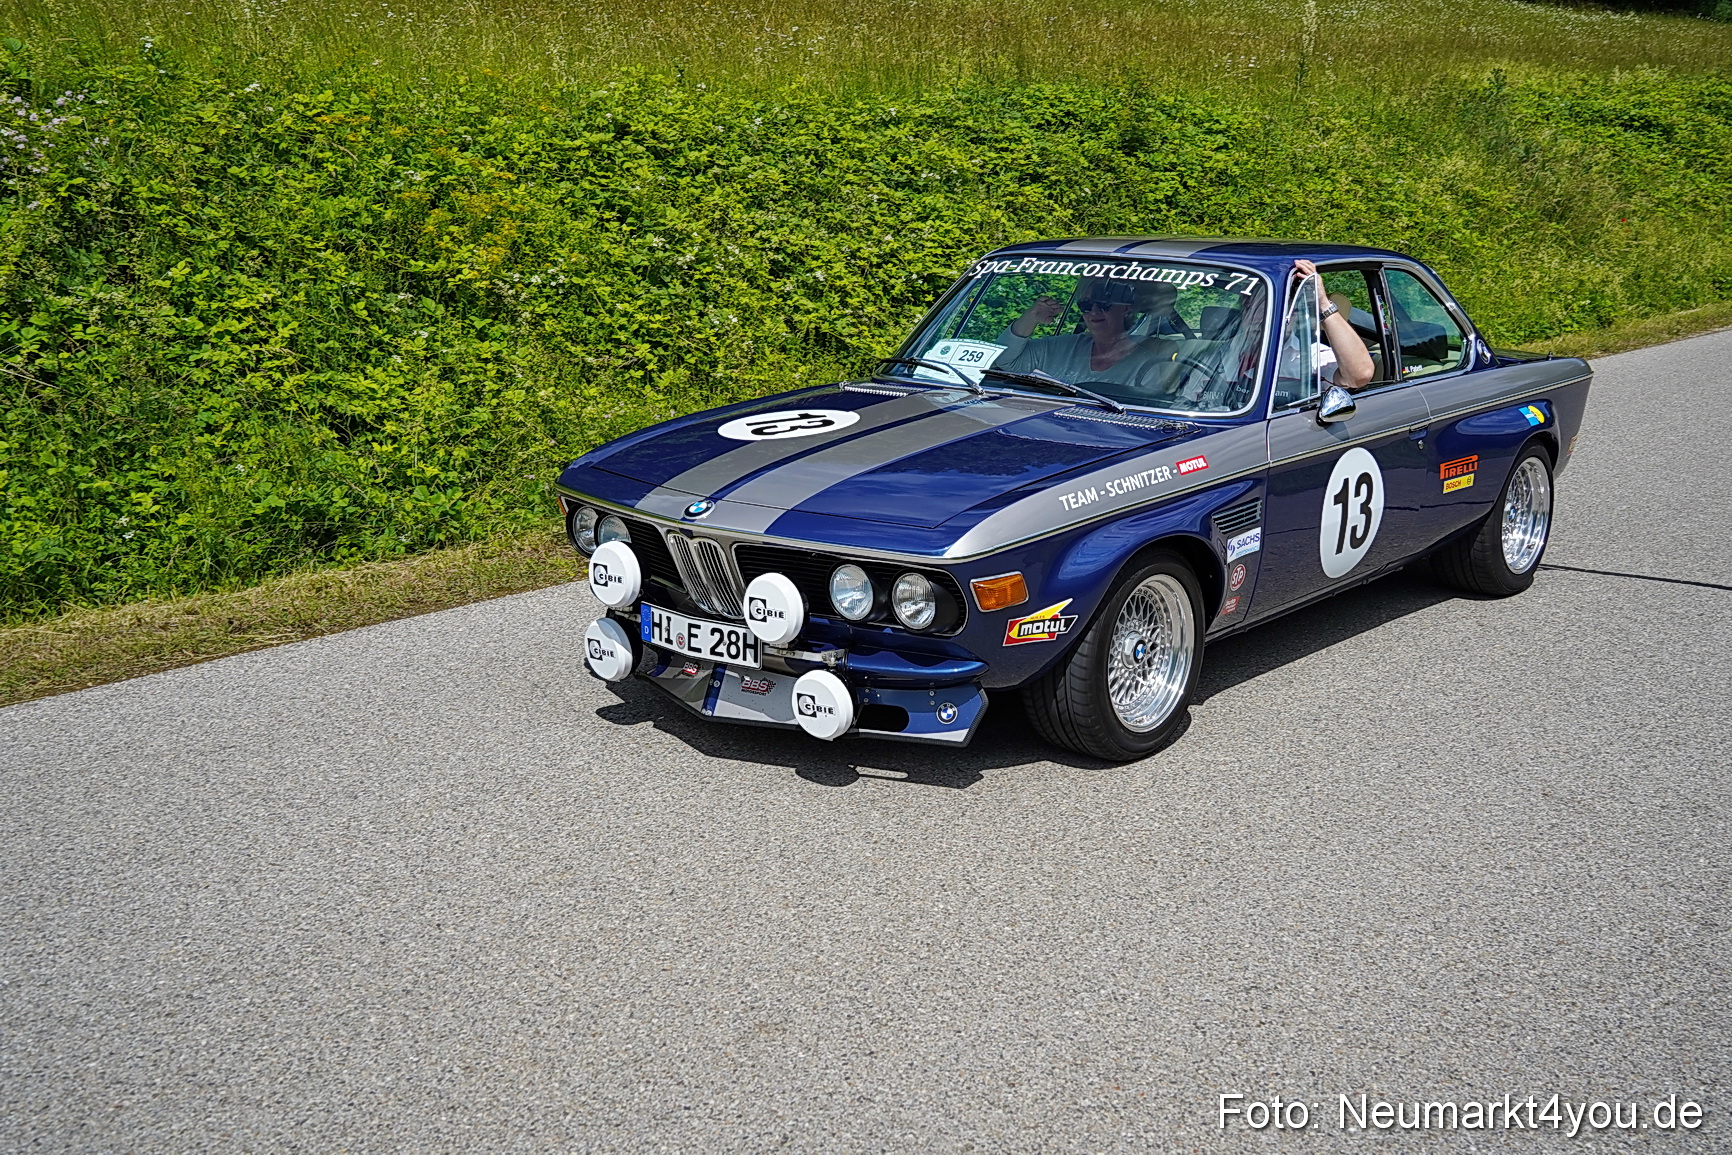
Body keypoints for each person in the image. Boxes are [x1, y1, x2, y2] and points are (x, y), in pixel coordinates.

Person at [994, 278, 1179, 395]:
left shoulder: (1146, 365)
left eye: (1104, 304)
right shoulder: (1059, 348)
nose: (1093, 312)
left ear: (1126, 308)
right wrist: (1030, 317)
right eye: (1086, 305)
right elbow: (1004, 361)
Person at [1294, 259, 1374, 391]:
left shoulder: (1311, 356)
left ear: (1294, 315)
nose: (1257, 321)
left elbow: (1359, 375)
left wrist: (1323, 304)